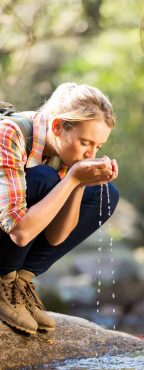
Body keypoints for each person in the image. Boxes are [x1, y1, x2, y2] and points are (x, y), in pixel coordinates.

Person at [0, 82, 120, 335]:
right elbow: (19, 232)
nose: (91, 154)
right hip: (13, 228)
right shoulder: (10, 133)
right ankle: (3, 279)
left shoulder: (61, 149)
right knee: (44, 178)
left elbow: (56, 237)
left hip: (15, 232)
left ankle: (21, 282)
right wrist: (72, 178)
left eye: (98, 147)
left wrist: (78, 184)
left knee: (103, 193)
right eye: (86, 142)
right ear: (57, 127)